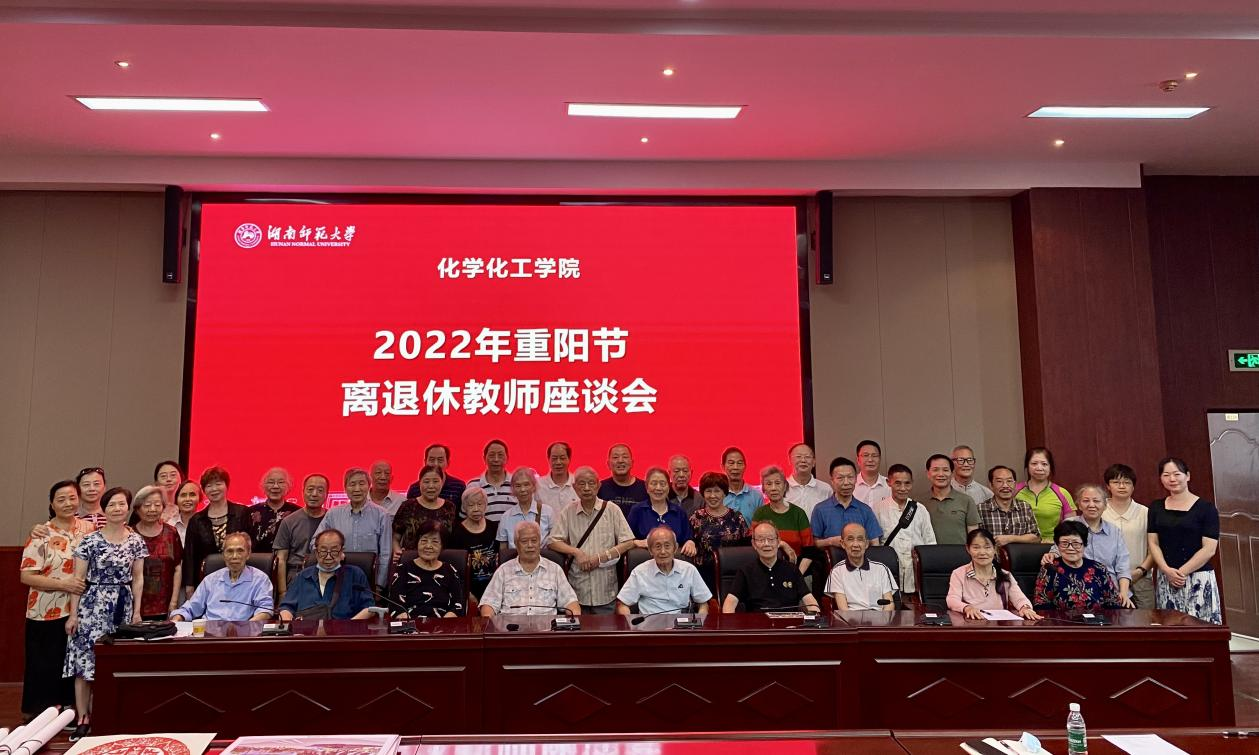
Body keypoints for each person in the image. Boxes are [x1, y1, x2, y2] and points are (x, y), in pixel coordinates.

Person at [64, 487, 147, 740]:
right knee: (84, 663)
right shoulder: (89, 541)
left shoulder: (136, 541)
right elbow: (78, 580)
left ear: (128, 508)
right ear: (104, 509)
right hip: (92, 605)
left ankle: (111, 716)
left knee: (117, 662)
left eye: (122, 504)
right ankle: (83, 718)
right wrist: (73, 615)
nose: (117, 509)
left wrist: (137, 612)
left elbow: (138, 579)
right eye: (112, 504)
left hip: (122, 604)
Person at [20, 480, 92, 722]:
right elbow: (26, 576)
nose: (68, 503)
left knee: (71, 663)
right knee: (45, 664)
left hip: (79, 609)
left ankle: (69, 713)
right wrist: (64, 584)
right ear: (52, 504)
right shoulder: (41, 533)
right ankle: (43, 715)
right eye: (61, 499)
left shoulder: (89, 529)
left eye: (72, 498)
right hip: (45, 609)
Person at [548, 466, 636, 613]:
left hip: (606, 590)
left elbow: (628, 542)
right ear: (574, 487)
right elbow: (552, 541)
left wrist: (602, 557)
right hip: (578, 590)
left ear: (598, 485)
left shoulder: (611, 509)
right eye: (582, 484)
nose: (587, 488)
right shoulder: (568, 511)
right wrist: (576, 552)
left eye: (591, 483)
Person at [1147, 457, 1221, 624]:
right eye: (1166, 475)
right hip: (1166, 577)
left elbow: (1209, 549)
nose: (1172, 479)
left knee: (1200, 627)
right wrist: (1166, 570)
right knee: (1169, 627)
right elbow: (1153, 543)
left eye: (1177, 474)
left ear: (1188, 476)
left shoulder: (1206, 508)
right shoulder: (1156, 507)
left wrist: (1181, 573)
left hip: (1198, 577)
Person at [1042, 484, 1134, 607]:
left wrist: (1123, 593)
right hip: (1078, 593)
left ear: (1105, 505)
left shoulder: (1114, 531)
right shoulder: (1070, 524)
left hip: (1112, 594)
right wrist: (1051, 555)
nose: (1091, 505)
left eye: (1096, 501)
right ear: (1079, 505)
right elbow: (1058, 549)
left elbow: (1123, 567)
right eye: (1086, 501)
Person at [313, 467, 393, 590]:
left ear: (369, 486)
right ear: (345, 488)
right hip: (336, 578)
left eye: (361, 484)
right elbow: (314, 543)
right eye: (352, 484)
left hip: (369, 581)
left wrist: (379, 584)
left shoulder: (382, 515)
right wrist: (331, 554)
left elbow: (386, 553)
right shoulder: (333, 514)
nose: (357, 489)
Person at [479, 522, 580, 617]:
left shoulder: (555, 570)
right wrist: (488, 621)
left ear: (540, 542)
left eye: (534, 541)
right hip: (510, 628)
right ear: (516, 544)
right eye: (524, 541)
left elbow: (571, 602)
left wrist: (574, 618)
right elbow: (488, 604)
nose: (530, 545)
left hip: (546, 627)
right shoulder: (503, 571)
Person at [181, 466, 252, 598]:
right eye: (209, 486)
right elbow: (190, 555)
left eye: (218, 484)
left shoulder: (242, 513)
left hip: (239, 576)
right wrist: (189, 585)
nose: (214, 489)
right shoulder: (196, 520)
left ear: (226, 486)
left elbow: (250, 547)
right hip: (205, 580)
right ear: (204, 490)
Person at [170, 532, 274, 621]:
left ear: (248, 554)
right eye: (230, 551)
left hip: (243, 633)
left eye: (240, 551)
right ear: (223, 555)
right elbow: (190, 608)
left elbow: (265, 610)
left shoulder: (260, 580)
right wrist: (178, 618)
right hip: (210, 633)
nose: (234, 556)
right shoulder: (210, 580)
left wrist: (247, 627)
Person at [721, 522, 820, 613]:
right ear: (754, 544)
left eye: (771, 539)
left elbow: (809, 600)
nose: (766, 544)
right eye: (761, 539)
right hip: (758, 624)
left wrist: (816, 619)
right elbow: (730, 602)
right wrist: (729, 622)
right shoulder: (746, 571)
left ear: (778, 542)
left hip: (789, 623)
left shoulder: (792, 569)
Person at [278, 529, 375, 621]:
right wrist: (288, 623)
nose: (328, 557)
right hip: (306, 631)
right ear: (316, 553)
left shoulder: (355, 574)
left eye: (334, 551)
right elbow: (286, 608)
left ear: (342, 552)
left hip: (345, 631)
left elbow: (369, 608)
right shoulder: (303, 576)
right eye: (323, 552)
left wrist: (349, 626)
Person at [946, 527, 1040, 621]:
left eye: (987, 547)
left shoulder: (1005, 575)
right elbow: (952, 599)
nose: (982, 552)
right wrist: (967, 608)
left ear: (994, 549)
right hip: (970, 623)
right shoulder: (959, 574)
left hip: (998, 625)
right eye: (976, 548)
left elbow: (1020, 599)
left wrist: (1025, 608)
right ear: (968, 549)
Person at [616, 527, 711, 615]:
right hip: (649, 625)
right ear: (650, 550)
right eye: (658, 546)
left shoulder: (689, 570)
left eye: (667, 546)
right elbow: (623, 604)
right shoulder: (639, 572)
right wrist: (631, 624)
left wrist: (699, 623)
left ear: (675, 548)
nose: (663, 551)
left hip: (681, 624)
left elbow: (703, 603)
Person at [871, 463, 935, 594]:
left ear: (912, 484)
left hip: (915, 572)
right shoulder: (878, 509)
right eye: (898, 483)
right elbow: (874, 545)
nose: (903, 488)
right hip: (889, 571)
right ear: (889, 483)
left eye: (907, 483)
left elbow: (930, 543)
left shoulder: (920, 509)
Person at [1034, 520, 1124, 613]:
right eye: (1064, 543)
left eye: (1076, 543)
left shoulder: (1099, 569)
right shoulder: (1050, 569)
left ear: (1084, 545)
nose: (1070, 548)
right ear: (1058, 545)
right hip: (1061, 621)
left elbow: (1114, 604)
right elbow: (1041, 604)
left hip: (1098, 620)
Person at [1103, 463, 1155, 608]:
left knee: (1146, 618)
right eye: (1116, 482)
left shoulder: (1145, 512)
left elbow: (1154, 548)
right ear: (1108, 486)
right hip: (1107, 579)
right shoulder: (1099, 510)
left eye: (1127, 482)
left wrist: (1141, 571)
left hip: (1140, 578)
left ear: (1133, 487)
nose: (1122, 486)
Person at [387, 520, 465, 618]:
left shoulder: (450, 571)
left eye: (435, 542)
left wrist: (445, 622)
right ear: (417, 543)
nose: (428, 546)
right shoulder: (403, 569)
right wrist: (406, 621)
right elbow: (395, 604)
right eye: (424, 541)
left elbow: (458, 606)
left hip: (442, 623)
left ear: (442, 546)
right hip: (410, 622)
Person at [688, 471, 750, 593]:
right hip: (702, 576)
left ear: (724, 492)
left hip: (732, 576)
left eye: (717, 491)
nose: (713, 495)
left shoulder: (736, 517)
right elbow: (689, 541)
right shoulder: (697, 517)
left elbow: (746, 548)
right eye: (708, 491)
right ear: (703, 493)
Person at [131, 485, 183, 620]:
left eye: (157, 505)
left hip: (166, 605)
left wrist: (174, 602)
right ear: (137, 509)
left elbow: (177, 568)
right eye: (147, 505)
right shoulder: (130, 535)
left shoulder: (171, 532)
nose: (152, 509)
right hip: (134, 608)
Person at [752, 465, 815, 575]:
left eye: (777, 483)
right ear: (763, 489)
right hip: (766, 571)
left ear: (785, 486)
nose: (773, 488)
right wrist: (781, 544)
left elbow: (809, 552)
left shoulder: (798, 513)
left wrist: (797, 576)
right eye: (768, 484)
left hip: (798, 570)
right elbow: (753, 544)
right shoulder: (760, 514)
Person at [811, 457, 883, 549]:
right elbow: (814, 543)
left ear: (856, 479)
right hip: (830, 557)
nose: (846, 483)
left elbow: (875, 542)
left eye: (850, 477)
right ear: (832, 481)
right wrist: (831, 541)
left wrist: (858, 543)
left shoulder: (865, 510)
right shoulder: (820, 509)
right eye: (840, 478)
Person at [273, 473, 329, 589]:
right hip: (296, 574)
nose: (314, 494)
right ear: (303, 492)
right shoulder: (289, 521)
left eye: (320, 490)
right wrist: (282, 592)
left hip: (326, 574)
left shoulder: (332, 518)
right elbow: (281, 559)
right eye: (310, 489)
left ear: (326, 494)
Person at [825, 523, 896, 611]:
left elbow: (889, 604)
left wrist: (882, 619)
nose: (855, 544)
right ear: (843, 544)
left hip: (880, 617)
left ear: (866, 544)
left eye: (860, 539)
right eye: (850, 539)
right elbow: (843, 609)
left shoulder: (881, 569)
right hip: (851, 618)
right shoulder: (837, 571)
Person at [628, 467, 697, 556]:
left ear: (668, 487)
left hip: (674, 561)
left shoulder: (679, 512)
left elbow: (688, 537)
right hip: (645, 561)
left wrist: (690, 542)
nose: (658, 488)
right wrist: (636, 542)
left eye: (662, 484)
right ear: (647, 487)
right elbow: (626, 541)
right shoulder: (637, 511)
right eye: (654, 483)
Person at [448, 487, 499, 600]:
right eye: (471, 505)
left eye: (480, 504)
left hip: (494, 588)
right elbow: (454, 567)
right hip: (468, 590)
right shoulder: (457, 532)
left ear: (486, 505)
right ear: (464, 507)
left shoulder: (494, 528)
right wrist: (466, 593)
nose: (476, 509)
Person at [393, 464, 457, 551]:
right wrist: (397, 551)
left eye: (435, 481)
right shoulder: (408, 506)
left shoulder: (450, 507)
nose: (431, 486)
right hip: (411, 557)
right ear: (419, 483)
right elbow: (395, 537)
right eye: (426, 482)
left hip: (442, 557)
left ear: (442, 483)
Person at [1015, 447, 1073, 541]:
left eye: (1044, 464)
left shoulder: (1062, 493)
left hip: (1053, 545)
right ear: (1027, 466)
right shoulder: (1014, 491)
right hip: (1020, 545)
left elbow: (1071, 528)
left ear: (1050, 467)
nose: (1039, 468)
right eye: (1034, 463)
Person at [923, 454, 980, 545]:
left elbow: (974, 537)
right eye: (935, 470)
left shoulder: (966, 500)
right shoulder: (918, 502)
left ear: (952, 473)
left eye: (945, 470)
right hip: (928, 553)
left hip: (961, 553)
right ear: (928, 473)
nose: (941, 474)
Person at [977, 465, 1040, 546]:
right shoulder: (981, 509)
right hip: (992, 554)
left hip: (1020, 554)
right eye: (999, 481)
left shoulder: (1025, 507)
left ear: (1015, 484)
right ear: (991, 485)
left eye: (1009, 481)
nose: (1005, 485)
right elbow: (975, 540)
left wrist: (1011, 538)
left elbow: (1036, 538)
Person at [497, 468, 555, 548]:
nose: (522, 489)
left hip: (542, 555)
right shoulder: (506, 517)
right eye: (518, 486)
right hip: (514, 556)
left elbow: (555, 541)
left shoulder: (547, 512)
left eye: (526, 484)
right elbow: (503, 549)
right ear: (513, 489)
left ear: (534, 486)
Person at [406, 444, 467, 516]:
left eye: (440, 460)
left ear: (448, 463)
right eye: (432, 460)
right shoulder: (414, 489)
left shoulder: (459, 487)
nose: (435, 464)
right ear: (425, 462)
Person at [248, 467, 299, 553]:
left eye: (281, 482)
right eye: (271, 482)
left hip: (288, 560)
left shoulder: (297, 512)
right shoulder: (250, 512)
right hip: (255, 559)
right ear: (263, 486)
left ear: (289, 486)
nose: (275, 486)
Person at [468, 439, 517, 523]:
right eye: (492, 455)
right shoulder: (473, 485)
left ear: (507, 458)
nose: (496, 459)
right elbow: (465, 517)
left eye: (500, 455)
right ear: (484, 458)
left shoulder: (517, 483)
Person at [599, 443, 648, 517]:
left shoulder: (645, 488)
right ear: (608, 464)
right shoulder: (600, 488)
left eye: (625, 457)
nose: (620, 460)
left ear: (632, 463)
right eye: (615, 457)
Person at [785, 443, 833, 519]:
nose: (803, 460)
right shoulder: (782, 488)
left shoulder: (825, 489)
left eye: (807, 457)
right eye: (798, 456)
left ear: (814, 462)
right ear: (790, 460)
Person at [722, 447, 764, 524]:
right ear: (723, 466)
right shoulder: (717, 495)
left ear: (745, 466)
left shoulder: (756, 496)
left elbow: (761, 525)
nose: (735, 467)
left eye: (739, 463)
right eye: (731, 463)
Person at [534, 441, 579, 510]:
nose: (558, 462)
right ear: (548, 459)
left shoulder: (578, 483)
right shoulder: (538, 485)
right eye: (554, 458)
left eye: (562, 458)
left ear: (569, 459)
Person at [853, 440, 890, 507]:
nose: (870, 460)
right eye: (865, 455)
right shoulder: (851, 484)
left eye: (874, 456)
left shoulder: (889, 485)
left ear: (880, 459)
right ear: (858, 460)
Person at [165, 480, 201, 546]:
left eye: (192, 495)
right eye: (183, 495)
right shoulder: (169, 525)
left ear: (200, 498)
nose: (187, 499)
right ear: (176, 499)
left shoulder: (206, 523)